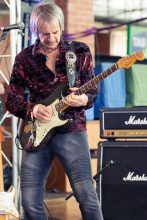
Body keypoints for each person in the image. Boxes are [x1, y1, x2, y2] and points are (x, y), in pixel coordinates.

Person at [5, 3, 103, 220]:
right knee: (30, 202)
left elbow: (92, 92)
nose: (51, 38)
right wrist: (33, 108)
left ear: (61, 26)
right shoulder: (24, 58)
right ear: (34, 31)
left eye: (55, 32)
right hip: (35, 132)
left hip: (71, 129)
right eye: (44, 33)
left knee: (86, 194)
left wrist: (83, 98)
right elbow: (12, 99)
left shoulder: (79, 52)